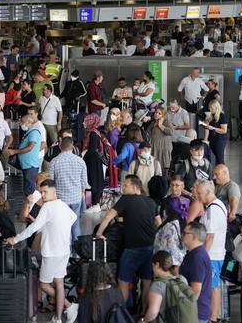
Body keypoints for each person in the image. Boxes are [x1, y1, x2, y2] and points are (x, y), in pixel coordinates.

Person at [6, 180, 78, 323]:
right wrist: (54, 229)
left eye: (45, 192)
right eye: (41, 192)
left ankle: (69, 306)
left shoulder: (48, 207)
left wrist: (15, 239)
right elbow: (73, 217)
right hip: (63, 250)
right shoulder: (63, 205)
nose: (42, 195)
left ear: (54, 191)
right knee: (59, 283)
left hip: (51, 252)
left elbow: (33, 228)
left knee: (43, 284)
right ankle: (58, 317)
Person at [95, 175, 159, 307]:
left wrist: (99, 233)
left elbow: (107, 217)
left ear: (135, 186)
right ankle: (143, 314)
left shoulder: (126, 199)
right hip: (149, 248)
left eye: (125, 185)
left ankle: (121, 314)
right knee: (146, 282)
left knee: (123, 281)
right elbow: (159, 223)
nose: (123, 187)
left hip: (132, 249)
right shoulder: (151, 202)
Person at [195, 179, 227, 321]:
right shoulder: (218, 205)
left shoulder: (213, 210)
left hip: (212, 255)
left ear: (208, 192)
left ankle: (213, 318)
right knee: (214, 285)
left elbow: (210, 236)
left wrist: (203, 256)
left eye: (200, 193)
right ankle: (213, 316)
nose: (198, 196)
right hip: (216, 254)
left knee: (212, 287)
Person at [50, 136, 89, 243]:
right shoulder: (80, 161)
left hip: (61, 199)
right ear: (72, 147)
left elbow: (51, 182)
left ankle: (66, 249)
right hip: (76, 198)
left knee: (63, 225)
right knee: (75, 223)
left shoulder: (55, 161)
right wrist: (82, 194)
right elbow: (84, 182)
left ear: (60, 147)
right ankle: (76, 251)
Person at [140, 250, 196, 323]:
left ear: (157, 264)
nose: (152, 269)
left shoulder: (158, 285)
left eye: (153, 266)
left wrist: (142, 320)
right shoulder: (182, 279)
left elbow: (152, 313)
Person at [179, 221, 213, 323]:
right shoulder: (193, 253)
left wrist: (184, 307)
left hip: (194, 313)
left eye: (185, 233)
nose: (182, 235)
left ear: (193, 237)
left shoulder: (198, 257)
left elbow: (196, 289)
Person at [6, 113, 43, 195]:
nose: (20, 124)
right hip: (26, 165)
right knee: (27, 189)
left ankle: (30, 206)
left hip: (30, 165)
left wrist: (15, 152)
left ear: (28, 123)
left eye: (22, 122)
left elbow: (30, 147)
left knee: (30, 191)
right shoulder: (28, 133)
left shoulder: (34, 132)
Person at [146, 106, 174, 172]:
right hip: (154, 148)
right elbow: (147, 132)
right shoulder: (153, 122)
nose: (157, 114)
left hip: (163, 149)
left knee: (163, 170)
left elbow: (171, 132)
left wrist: (161, 125)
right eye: (156, 112)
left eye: (159, 113)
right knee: (154, 168)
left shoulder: (166, 122)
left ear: (163, 115)